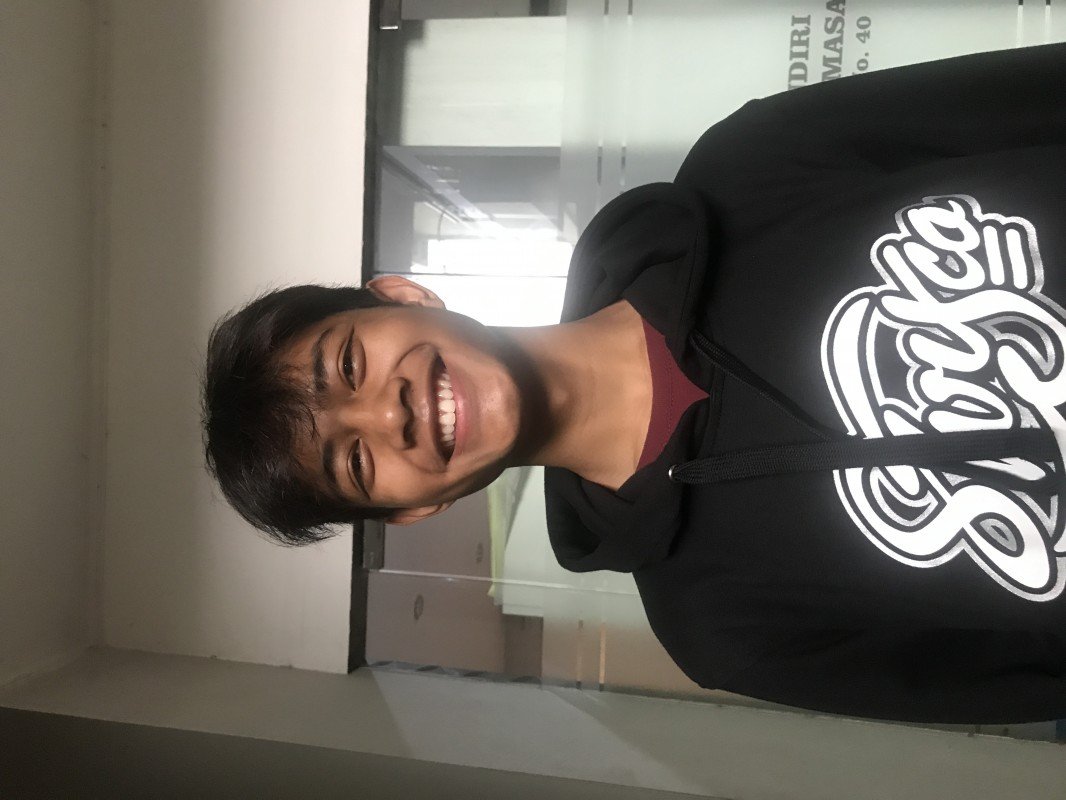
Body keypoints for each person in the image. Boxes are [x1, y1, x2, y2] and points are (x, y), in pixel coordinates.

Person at [203, 43, 1066, 724]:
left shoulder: (756, 164)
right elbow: (1031, 678)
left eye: (348, 365)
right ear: (412, 510)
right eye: (355, 462)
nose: (385, 413)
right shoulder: (727, 628)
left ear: (401, 296)